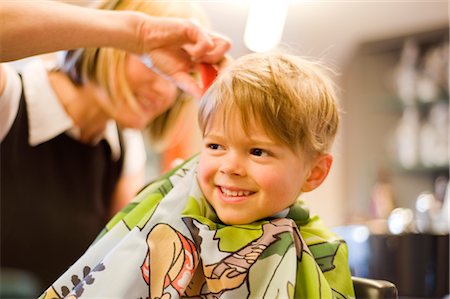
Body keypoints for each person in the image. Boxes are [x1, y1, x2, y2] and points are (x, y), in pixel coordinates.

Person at [39, 52, 355, 299]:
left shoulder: (318, 252)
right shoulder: (174, 216)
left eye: (257, 151)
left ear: (314, 173)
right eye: (216, 145)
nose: (229, 166)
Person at [0, 0, 231, 292]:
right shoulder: (9, 99)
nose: (165, 92)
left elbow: (123, 265)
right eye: (156, 66)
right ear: (110, 44)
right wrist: (140, 33)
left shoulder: (124, 150)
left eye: (178, 78)